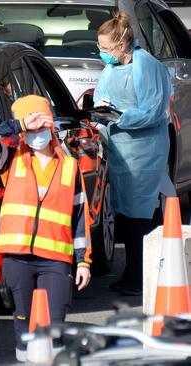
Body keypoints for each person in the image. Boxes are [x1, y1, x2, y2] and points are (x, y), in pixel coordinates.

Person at [0, 95, 92, 362]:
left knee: (55, 326)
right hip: (17, 258)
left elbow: (79, 218)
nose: (36, 133)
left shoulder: (69, 166)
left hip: (55, 260)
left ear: (50, 126)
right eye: (31, 128)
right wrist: (18, 124)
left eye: (40, 126)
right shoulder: (11, 160)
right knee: (24, 323)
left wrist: (83, 261)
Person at [94, 11, 172, 296]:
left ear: (122, 45)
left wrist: (119, 117)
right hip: (119, 148)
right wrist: (101, 111)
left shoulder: (146, 65)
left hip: (145, 149)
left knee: (140, 214)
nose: (102, 53)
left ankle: (141, 275)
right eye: (99, 47)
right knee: (124, 213)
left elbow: (152, 110)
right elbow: (100, 97)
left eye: (105, 48)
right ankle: (132, 272)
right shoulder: (110, 69)